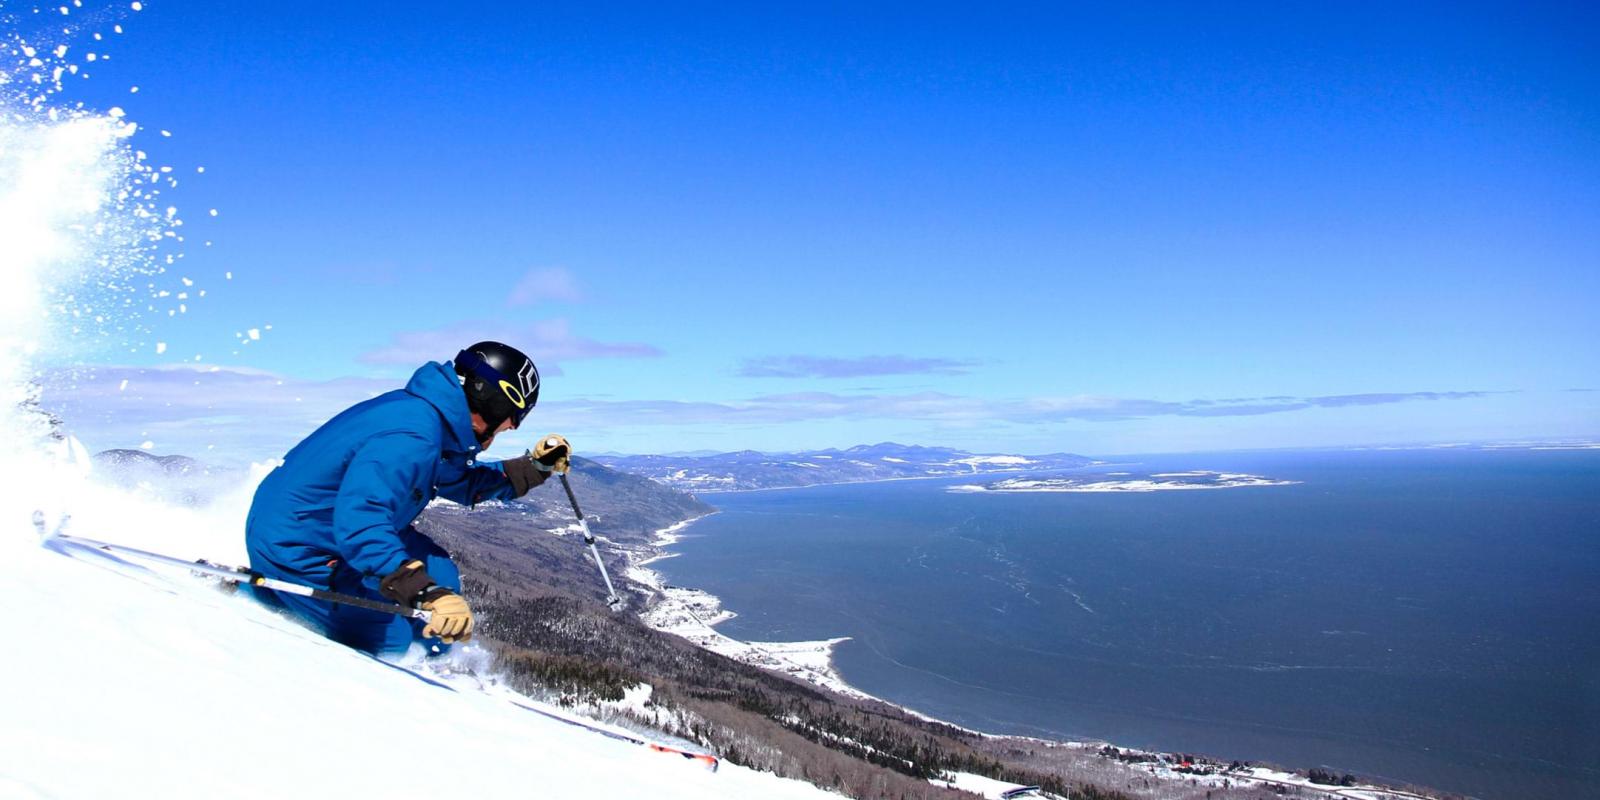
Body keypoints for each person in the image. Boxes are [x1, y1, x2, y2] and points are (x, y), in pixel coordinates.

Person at [243, 341, 572, 655]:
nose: (512, 428)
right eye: (513, 416)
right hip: (298, 545)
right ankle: (257, 596)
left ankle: (428, 661)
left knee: (441, 577)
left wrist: (536, 468)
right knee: (392, 639)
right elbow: (363, 518)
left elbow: (462, 482)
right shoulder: (412, 437)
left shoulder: (430, 420)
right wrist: (423, 591)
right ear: (492, 401)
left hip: (324, 526)